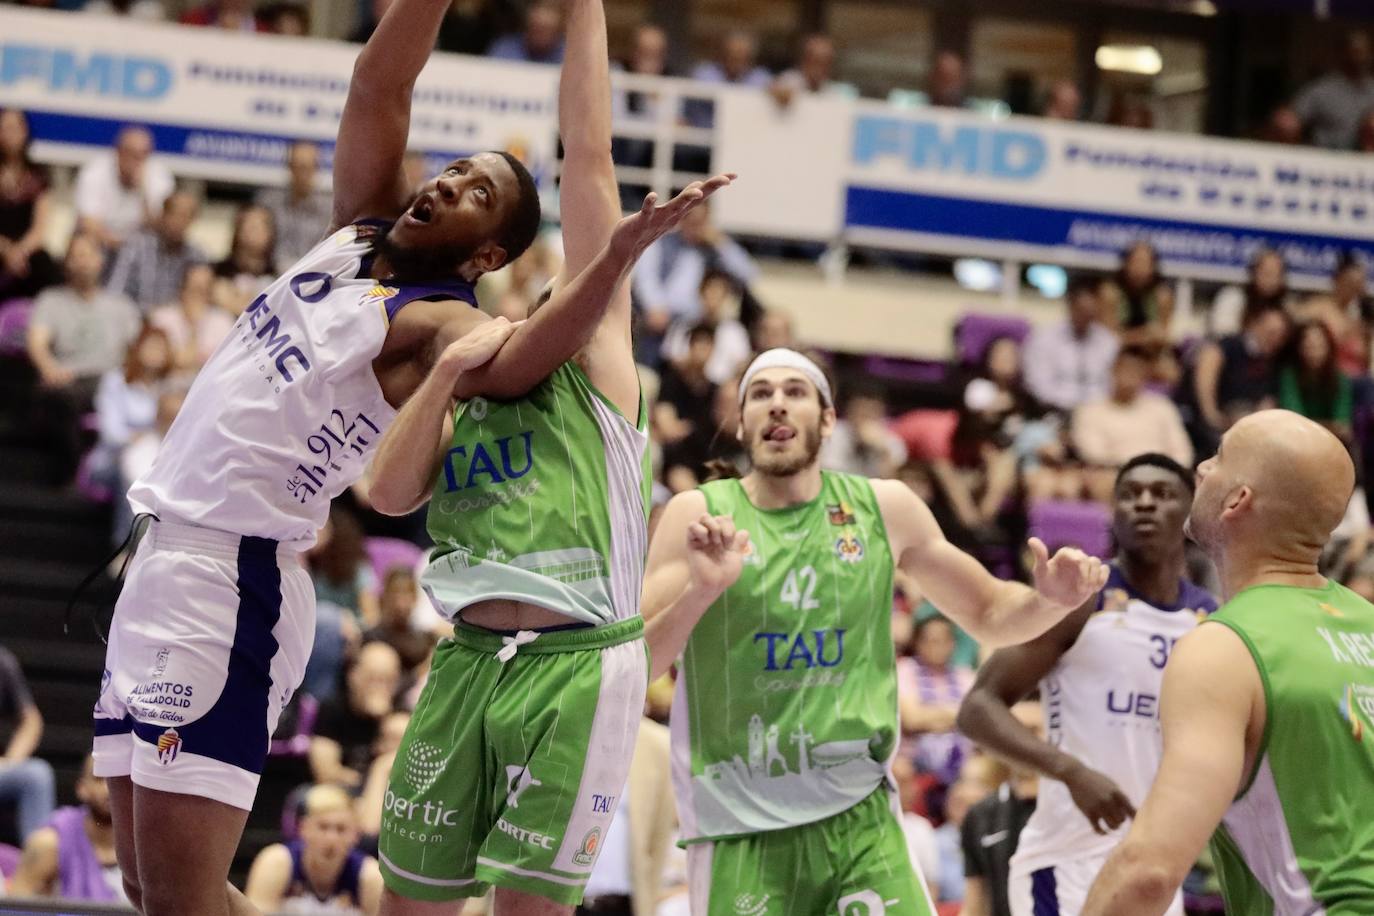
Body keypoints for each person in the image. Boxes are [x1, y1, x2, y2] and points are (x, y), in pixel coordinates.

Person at [89, 0, 713, 910]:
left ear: (493, 252)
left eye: (475, 192)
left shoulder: (451, 332)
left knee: (182, 898)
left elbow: (571, 223)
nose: (448, 184)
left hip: (248, 580)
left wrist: (613, 259)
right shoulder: (357, 238)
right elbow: (381, 83)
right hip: (179, 560)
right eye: (454, 171)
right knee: (149, 888)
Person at [363, 0, 733, 909]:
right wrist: (448, 371)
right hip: (464, 663)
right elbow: (387, 494)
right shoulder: (464, 372)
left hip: (575, 670)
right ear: (492, 275)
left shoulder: (600, 353)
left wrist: (584, 8)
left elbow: (589, 153)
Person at [639, 347, 1108, 916]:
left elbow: (988, 611)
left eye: (795, 391)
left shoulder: (882, 507)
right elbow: (635, 664)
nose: (777, 404)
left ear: (828, 419)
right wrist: (703, 592)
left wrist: (1050, 601)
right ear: (741, 424)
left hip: (858, 818)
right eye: (760, 394)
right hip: (741, 826)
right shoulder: (700, 517)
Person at [1083, 410, 1374, 914]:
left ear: (1239, 500)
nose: (1199, 468)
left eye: (1218, 458)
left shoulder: (1223, 646)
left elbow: (1148, 873)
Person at [959, 453, 1218, 916]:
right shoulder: (1081, 598)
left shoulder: (1210, 619)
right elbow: (978, 707)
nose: (1143, 503)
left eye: (1161, 494)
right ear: (1112, 513)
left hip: (1157, 868)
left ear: (1189, 514)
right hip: (1068, 861)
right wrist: (1070, 772)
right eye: (1129, 494)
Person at [26, 231, 141, 485]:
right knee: (61, 399)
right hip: (68, 379)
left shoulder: (121, 306)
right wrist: (50, 368)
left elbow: (138, 351)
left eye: (88, 255)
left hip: (111, 380)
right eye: (76, 256)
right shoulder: (50, 300)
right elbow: (36, 343)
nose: (83, 262)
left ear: (101, 260)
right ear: (66, 262)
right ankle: (72, 474)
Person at [1072, 349, 1192, 501]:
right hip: (1112, 474)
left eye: (1136, 371)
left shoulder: (1162, 407)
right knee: (1101, 482)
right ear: (1113, 371)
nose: (1129, 375)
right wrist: (1137, 470)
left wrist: (1158, 470)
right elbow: (1093, 453)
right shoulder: (1090, 410)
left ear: (1145, 375)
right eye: (1125, 369)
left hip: (1162, 473)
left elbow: (1182, 451)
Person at [245, 784, 383, 915]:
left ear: (356, 834)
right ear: (303, 828)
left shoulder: (370, 876)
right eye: (323, 827)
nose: (331, 838)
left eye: (341, 829)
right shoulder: (276, 862)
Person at [960, 705, 1042, 916]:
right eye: (1013, 731)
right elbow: (974, 905)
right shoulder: (980, 814)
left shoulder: (1079, 808)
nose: (1022, 741)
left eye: (1032, 730)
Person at [9, 755, 125, 902]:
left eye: (119, 780)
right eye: (99, 779)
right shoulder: (49, 843)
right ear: (81, 788)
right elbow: (15, 909)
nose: (109, 789)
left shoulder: (150, 846)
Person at [1185, 306, 1289, 458]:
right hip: (1211, 421)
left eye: (1281, 335)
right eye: (1271, 332)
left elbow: (1268, 402)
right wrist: (1212, 416)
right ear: (1255, 325)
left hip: (1247, 423)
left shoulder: (1276, 362)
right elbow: (1207, 372)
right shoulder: (1228, 345)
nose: (1275, 339)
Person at [310, 642, 402, 790]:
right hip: (341, 792)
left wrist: (385, 720)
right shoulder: (333, 709)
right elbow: (325, 773)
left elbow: (402, 771)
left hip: (383, 795)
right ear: (353, 675)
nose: (380, 687)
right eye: (372, 678)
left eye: (388, 680)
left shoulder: (399, 713)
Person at [1022, 275, 1120, 413]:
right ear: (1070, 305)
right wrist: (1072, 407)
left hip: (1099, 413)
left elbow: (1112, 384)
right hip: (1054, 410)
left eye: (1090, 313)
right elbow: (1038, 386)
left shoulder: (1108, 341)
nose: (1086, 317)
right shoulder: (1044, 339)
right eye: (1081, 311)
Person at [899, 615, 975, 787]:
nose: (938, 647)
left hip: (961, 759)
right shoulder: (905, 670)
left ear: (953, 643)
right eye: (932, 640)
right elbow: (913, 720)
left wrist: (933, 717)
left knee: (979, 769)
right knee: (901, 770)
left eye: (944, 640)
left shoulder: (965, 675)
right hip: (914, 760)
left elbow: (979, 720)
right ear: (917, 643)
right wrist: (957, 715)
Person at [74, 125, 175, 250]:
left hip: (140, 249)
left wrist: (143, 192)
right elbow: (88, 223)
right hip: (100, 244)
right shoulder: (95, 171)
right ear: (118, 151)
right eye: (132, 154)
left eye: (143, 155)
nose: (137, 161)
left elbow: (160, 227)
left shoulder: (160, 176)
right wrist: (120, 247)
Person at [106, 188, 206, 313]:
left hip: (174, 324)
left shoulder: (196, 258)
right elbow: (115, 291)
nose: (178, 222)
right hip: (135, 318)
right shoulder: (137, 247)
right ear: (163, 215)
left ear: (192, 220)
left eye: (185, 216)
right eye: (174, 214)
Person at [0, 107, 61, 302]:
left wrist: (19, 252)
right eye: (5, 127)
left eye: (15, 128)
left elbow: (39, 229)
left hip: (26, 250)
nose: (11, 134)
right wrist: (6, 250)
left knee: (49, 271)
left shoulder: (38, 175)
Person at [0, 646, 53, 845]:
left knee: (36, 775)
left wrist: (10, 761)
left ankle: (35, 867)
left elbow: (31, 721)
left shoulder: (2, 661)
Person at [1100, 241, 1175, 382]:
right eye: (1136, 261)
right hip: (1115, 356)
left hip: (1148, 357)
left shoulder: (1163, 295)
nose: (1140, 268)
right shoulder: (1110, 293)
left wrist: (1153, 339)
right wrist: (1143, 335)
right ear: (1126, 263)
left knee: (1171, 373)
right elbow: (1108, 339)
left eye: (1146, 263)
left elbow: (1163, 337)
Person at [256, 140, 335, 267]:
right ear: (289, 167)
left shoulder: (330, 209)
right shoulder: (269, 202)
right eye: (297, 166)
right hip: (273, 273)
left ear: (316, 168)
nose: (302, 174)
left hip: (315, 272)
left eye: (307, 167)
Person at [148, 262, 235, 371]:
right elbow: (177, 362)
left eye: (204, 290)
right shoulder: (162, 318)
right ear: (182, 289)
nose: (198, 296)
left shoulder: (223, 321)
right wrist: (194, 327)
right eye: (194, 289)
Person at [1294, 31, 1374, 150]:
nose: (1360, 57)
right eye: (1355, 51)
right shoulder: (1321, 89)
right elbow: (1292, 121)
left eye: (1364, 52)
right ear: (1343, 53)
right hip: (1327, 158)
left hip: (1366, 160)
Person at [1278, 320, 1353, 439]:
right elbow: (1295, 420)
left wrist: (1317, 425)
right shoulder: (1289, 375)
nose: (1314, 351)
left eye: (1320, 345)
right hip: (1298, 440)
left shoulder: (1339, 377)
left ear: (1329, 347)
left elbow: (1342, 425)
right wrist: (1329, 426)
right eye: (1309, 346)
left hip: (1332, 443)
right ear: (1299, 348)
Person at [362, 567, 436, 676]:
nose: (401, 603)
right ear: (385, 597)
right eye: (395, 593)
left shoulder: (425, 640)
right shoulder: (371, 638)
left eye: (406, 594)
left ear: (415, 598)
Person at [213, 203, 279, 315]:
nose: (252, 230)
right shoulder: (219, 272)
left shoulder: (278, 276)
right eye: (248, 224)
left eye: (259, 225)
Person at [1208, 247, 1290, 338]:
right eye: (1267, 273)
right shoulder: (1232, 297)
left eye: (1277, 274)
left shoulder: (1285, 308)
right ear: (1253, 273)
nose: (1271, 280)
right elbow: (1222, 336)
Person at [487, 0, 565, 64]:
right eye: (536, 29)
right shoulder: (503, 49)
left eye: (544, 31)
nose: (541, 19)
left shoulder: (567, 56)